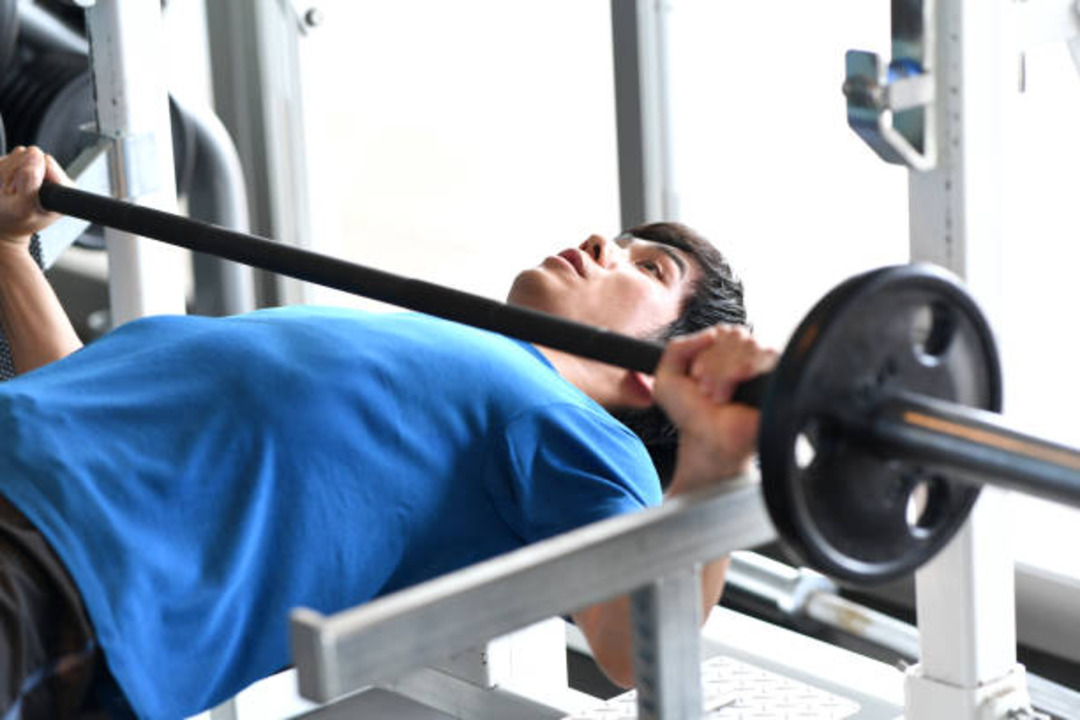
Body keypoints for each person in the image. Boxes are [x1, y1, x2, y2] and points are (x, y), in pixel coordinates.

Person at [0, 146, 777, 719]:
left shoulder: (579, 430)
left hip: (79, 574)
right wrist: (8, 248)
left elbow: (629, 643)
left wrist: (713, 460)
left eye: (650, 268)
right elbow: (66, 390)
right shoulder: (448, 353)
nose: (606, 244)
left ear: (655, 372)